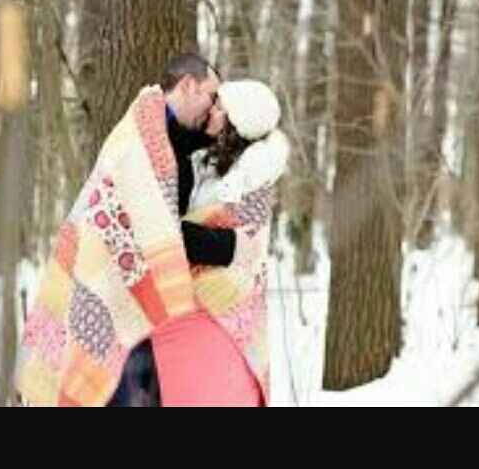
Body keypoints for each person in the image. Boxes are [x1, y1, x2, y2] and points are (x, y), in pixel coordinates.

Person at [16, 54, 238, 408]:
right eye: (211, 97)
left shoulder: (162, 135)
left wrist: (214, 133)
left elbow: (177, 165)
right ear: (188, 85)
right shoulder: (140, 142)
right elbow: (153, 228)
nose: (213, 109)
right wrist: (226, 246)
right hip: (116, 295)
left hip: (133, 299)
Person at [151, 79, 290, 408]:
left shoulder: (250, 177)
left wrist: (217, 244)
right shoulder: (205, 159)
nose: (209, 110)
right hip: (182, 311)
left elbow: (244, 244)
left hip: (218, 316)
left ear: (235, 123)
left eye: (219, 108)